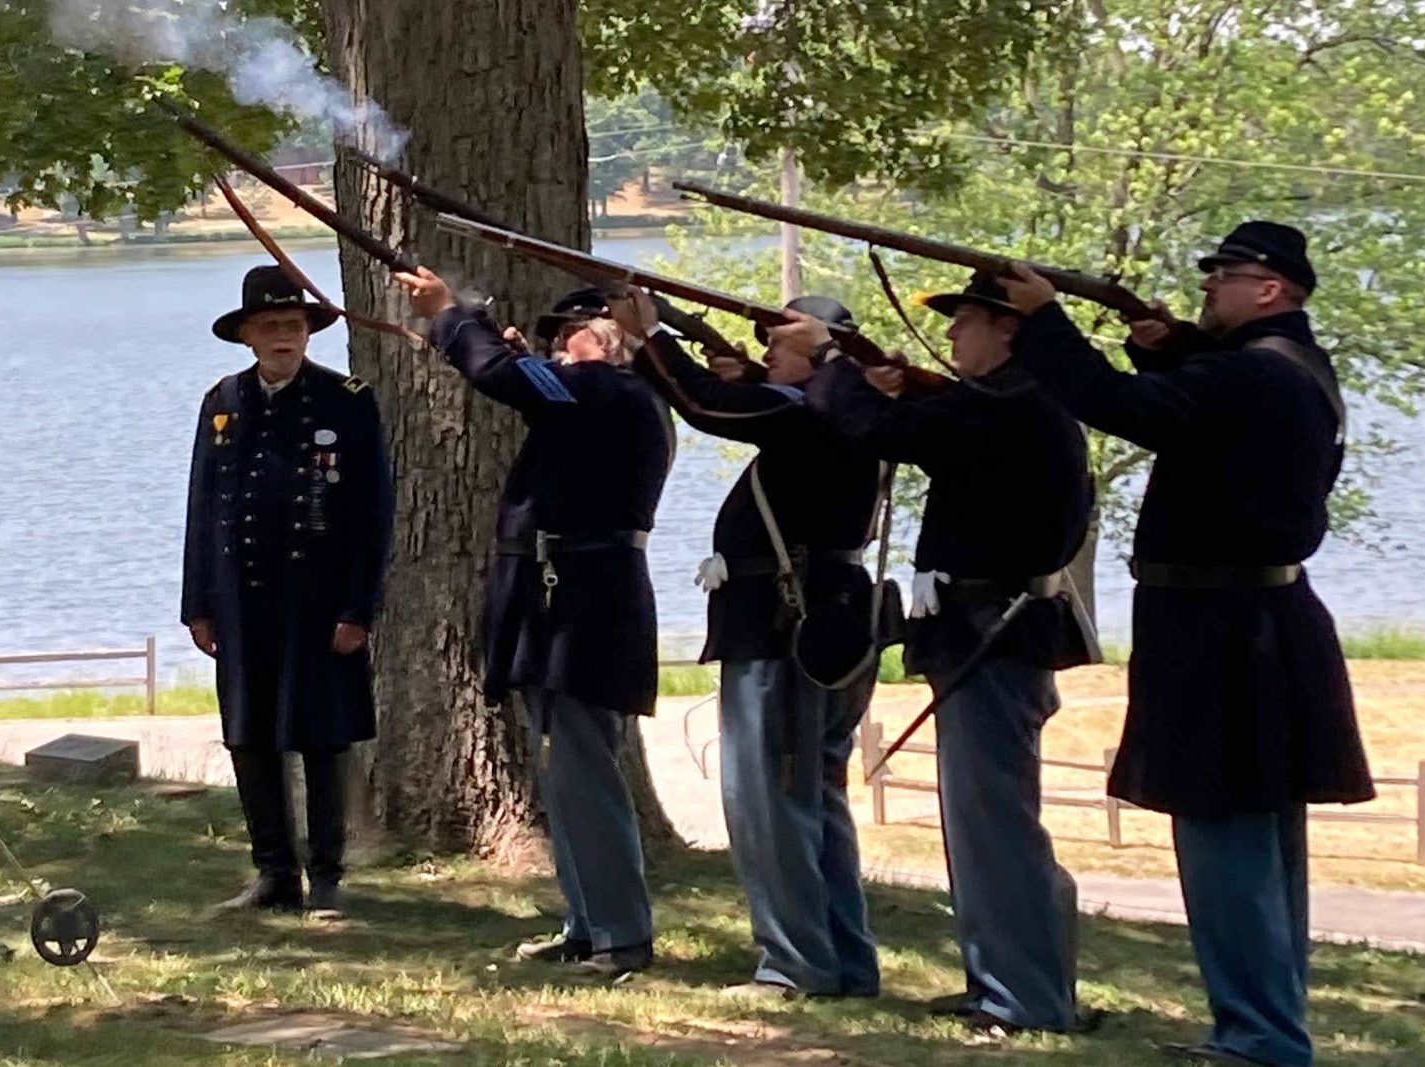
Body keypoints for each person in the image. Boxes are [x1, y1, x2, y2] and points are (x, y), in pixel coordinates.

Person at [1000, 222, 1375, 1067]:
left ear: (1270, 290)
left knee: (1223, 834)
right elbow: (1206, 422)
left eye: (1225, 278)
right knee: (1261, 840)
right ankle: (1268, 1022)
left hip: (1223, 628)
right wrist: (1166, 349)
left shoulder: (1253, 374)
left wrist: (1047, 322)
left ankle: (1259, 1033)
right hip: (1253, 620)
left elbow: (1128, 410)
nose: (1208, 288)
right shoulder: (1279, 368)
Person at [783, 271, 1096, 1032]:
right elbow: (926, 425)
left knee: (996, 824)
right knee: (983, 822)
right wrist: (886, 386)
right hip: (984, 630)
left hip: (993, 631)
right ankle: (1003, 981)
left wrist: (831, 365)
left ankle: (1025, 999)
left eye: (967, 321)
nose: (952, 334)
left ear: (1007, 331)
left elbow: (880, 433)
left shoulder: (1014, 408)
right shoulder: (1008, 404)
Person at [392, 267, 674, 978]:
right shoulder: (589, 398)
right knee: (563, 774)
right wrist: (476, 331)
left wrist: (451, 315)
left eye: (565, 337)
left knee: (585, 772)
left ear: (606, 341)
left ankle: (620, 933)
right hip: (559, 597)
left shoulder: (612, 389)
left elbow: (506, 377)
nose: (553, 349)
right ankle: (589, 923)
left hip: (586, 601)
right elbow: (521, 379)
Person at [612, 290, 883, 999]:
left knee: (773, 799)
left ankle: (795, 964)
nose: (766, 351)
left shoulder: (817, 412)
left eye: (780, 342)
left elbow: (703, 405)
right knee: (811, 799)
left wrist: (649, 338)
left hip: (783, 627)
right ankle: (842, 961)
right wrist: (750, 374)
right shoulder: (833, 412)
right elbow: (739, 400)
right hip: (812, 620)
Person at [182, 265, 391, 918]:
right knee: (249, 736)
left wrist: (359, 607)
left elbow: (372, 514)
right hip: (242, 601)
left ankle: (326, 876)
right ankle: (273, 872)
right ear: (248, 335)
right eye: (271, 327)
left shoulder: (347, 401)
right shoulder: (223, 400)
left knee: (324, 738)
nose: (284, 337)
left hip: (320, 600)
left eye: (294, 326)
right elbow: (202, 504)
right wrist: (197, 603)